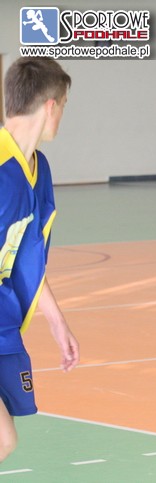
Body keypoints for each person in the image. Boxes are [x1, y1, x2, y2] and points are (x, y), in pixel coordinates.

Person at [0, 57, 80, 462]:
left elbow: (24, 256)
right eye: (64, 105)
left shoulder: (38, 169)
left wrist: (56, 321)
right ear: (51, 105)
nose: (62, 115)